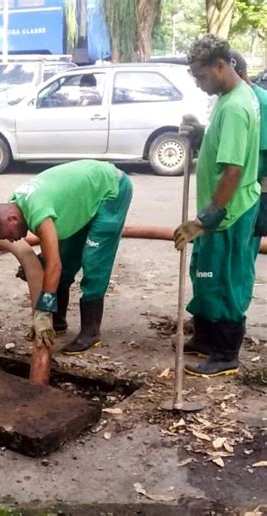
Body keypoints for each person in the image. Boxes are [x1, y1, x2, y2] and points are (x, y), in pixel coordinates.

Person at [175, 34, 261, 377]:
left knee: (224, 280)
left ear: (221, 66)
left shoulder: (238, 106)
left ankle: (226, 353)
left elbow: (234, 169)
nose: (198, 83)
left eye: (200, 76)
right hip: (222, 212)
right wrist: (200, 135)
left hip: (229, 213)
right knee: (206, 274)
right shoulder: (231, 98)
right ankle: (207, 338)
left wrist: (208, 217)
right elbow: (223, 145)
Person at [0, 160, 132, 354]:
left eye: (8, 235)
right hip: (87, 194)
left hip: (111, 189)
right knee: (67, 256)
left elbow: (54, 266)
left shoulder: (38, 211)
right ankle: (58, 321)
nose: (11, 241)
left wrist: (43, 312)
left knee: (94, 260)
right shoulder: (16, 203)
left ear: (12, 218)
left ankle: (91, 331)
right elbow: (55, 254)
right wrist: (41, 260)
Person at [230, 49, 267, 237]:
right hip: (234, 195)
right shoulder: (231, 99)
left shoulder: (261, 101)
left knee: (244, 250)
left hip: (253, 193)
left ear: (240, 74)